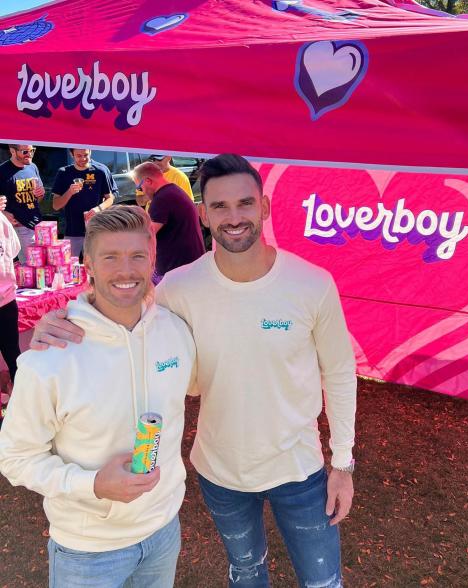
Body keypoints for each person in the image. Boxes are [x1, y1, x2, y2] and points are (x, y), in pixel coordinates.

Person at [31, 154, 357, 587]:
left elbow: (338, 372)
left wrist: (343, 463)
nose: (234, 217)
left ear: (265, 208)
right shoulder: (180, 287)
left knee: (323, 581)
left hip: (300, 470)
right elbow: (123, 319)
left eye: (245, 204)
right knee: (245, 572)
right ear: (203, 214)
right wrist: (61, 320)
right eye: (219, 207)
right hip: (221, 472)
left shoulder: (311, 283)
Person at [0, 206, 196, 587]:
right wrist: (91, 485)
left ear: (152, 258)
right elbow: (14, 458)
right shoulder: (51, 357)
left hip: (162, 531)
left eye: (137, 256)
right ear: (87, 263)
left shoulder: (176, 332)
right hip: (88, 549)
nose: (126, 271)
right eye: (110, 257)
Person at [133, 162, 205, 284]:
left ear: (148, 181)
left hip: (177, 270)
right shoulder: (173, 191)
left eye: (140, 187)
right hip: (189, 266)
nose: (142, 192)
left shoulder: (162, 199)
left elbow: (145, 236)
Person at [52, 148, 115, 257]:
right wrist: (69, 192)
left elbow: (110, 198)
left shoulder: (99, 171)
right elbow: (55, 206)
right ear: (72, 154)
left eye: (86, 155)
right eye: (79, 155)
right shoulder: (64, 172)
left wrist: (98, 209)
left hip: (96, 229)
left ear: (90, 152)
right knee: (71, 267)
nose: (83, 158)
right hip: (73, 231)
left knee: (96, 266)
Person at [0, 144, 46, 263]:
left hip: (38, 224)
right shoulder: (2, 171)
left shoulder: (32, 167)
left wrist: (40, 194)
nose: (29, 154)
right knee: (32, 267)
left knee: (42, 267)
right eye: (25, 152)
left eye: (32, 150)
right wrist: (3, 213)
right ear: (12, 151)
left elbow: (39, 198)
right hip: (20, 227)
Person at [0, 196, 21, 427]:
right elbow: (14, 249)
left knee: (13, 355)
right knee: (13, 353)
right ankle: (20, 407)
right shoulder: (2, 219)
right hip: (6, 297)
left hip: (6, 299)